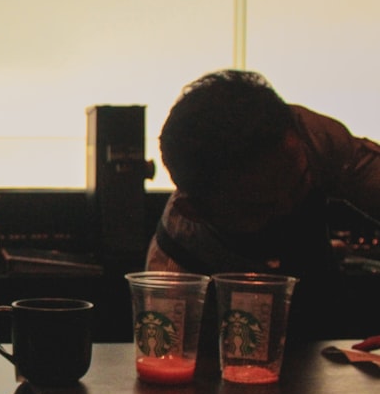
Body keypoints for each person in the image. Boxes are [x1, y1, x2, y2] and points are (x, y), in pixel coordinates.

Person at [146, 69, 380, 338]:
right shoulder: (173, 270)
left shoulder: (316, 141)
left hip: (323, 309)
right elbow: (175, 364)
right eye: (261, 206)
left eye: (299, 184)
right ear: (195, 211)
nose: (288, 209)